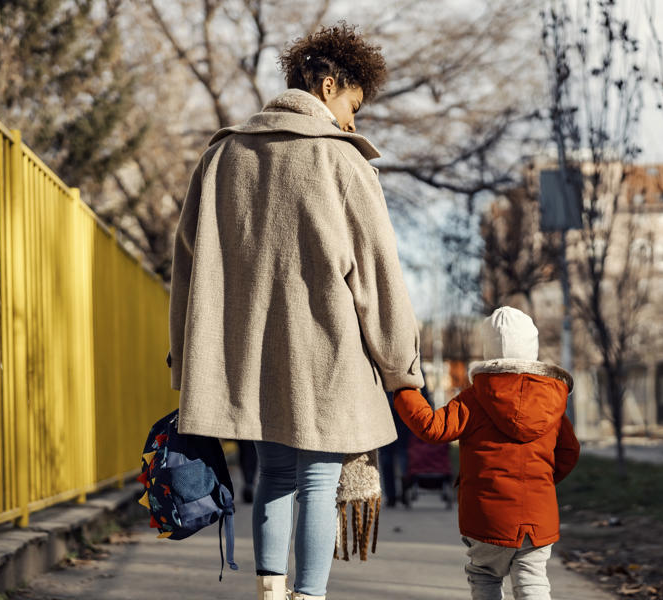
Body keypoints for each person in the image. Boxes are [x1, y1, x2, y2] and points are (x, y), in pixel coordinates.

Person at [167, 22, 423, 600]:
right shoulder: (341, 161)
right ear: (329, 85)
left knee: (274, 477)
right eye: (352, 106)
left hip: (244, 356)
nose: (354, 123)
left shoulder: (220, 156)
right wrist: (400, 366)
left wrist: (185, 362)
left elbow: (186, 269)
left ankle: (272, 593)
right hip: (324, 352)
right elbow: (378, 274)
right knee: (318, 479)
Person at [393, 307, 580, 600]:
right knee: (532, 579)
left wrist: (404, 390)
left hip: (486, 516)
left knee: (485, 575)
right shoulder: (551, 401)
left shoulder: (474, 398)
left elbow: (432, 428)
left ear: (488, 350)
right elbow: (569, 452)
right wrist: (541, 481)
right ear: (533, 347)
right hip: (538, 514)